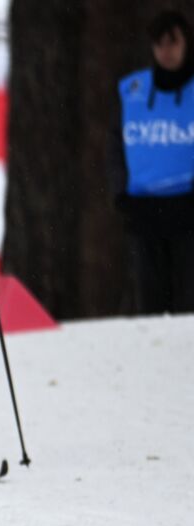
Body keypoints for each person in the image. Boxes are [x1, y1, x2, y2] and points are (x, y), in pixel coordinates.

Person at [116, 10, 194, 315]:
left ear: (186, 44)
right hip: (144, 213)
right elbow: (114, 142)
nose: (167, 51)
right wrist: (119, 191)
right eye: (160, 43)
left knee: (188, 305)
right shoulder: (132, 90)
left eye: (173, 42)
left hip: (188, 211)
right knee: (149, 304)